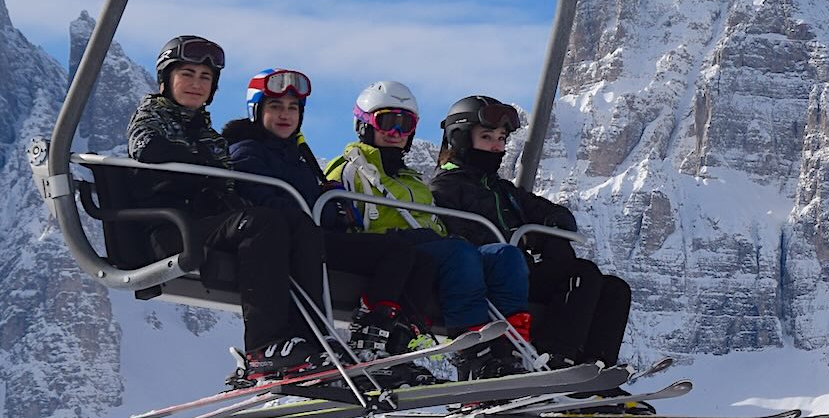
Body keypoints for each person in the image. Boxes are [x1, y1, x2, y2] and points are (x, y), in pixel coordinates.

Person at [125, 36, 327, 382]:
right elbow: (148, 149)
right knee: (262, 223)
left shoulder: (206, 132)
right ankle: (263, 347)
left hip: (203, 223)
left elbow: (225, 185)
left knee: (298, 225)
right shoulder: (152, 117)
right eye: (187, 75)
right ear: (166, 79)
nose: (196, 84)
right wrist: (202, 167)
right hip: (170, 227)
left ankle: (312, 339)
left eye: (205, 77)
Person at [222, 68, 434, 361]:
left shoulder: (299, 158)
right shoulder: (247, 152)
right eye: (275, 106)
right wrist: (313, 213)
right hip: (283, 239)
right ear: (256, 111)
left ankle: (378, 335)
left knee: (401, 252)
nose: (285, 115)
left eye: (293, 108)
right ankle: (314, 340)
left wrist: (335, 209)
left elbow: (318, 209)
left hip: (313, 235)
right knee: (313, 240)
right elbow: (259, 196)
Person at [324, 82, 531, 377]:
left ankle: (510, 350)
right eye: (387, 122)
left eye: (405, 124)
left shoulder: (413, 180)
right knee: (458, 253)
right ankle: (472, 353)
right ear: (365, 124)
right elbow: (336, 220)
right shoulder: (349, 169)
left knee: (504, 255)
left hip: (430, 247)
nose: (396, 132)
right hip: (387, 249)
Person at [431, 95, 632, 369]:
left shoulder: (502, 190)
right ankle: (556, 357)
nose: (496, 146)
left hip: (518, 272)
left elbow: (554, 214)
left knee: (614, 289)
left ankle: (597, 367)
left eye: (501, 139)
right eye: (487, 137)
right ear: (461, 139)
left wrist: (545, 232)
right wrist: (520, 237)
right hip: (486, 276)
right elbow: (457, 235)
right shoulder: (445, 187)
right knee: (581, 275)